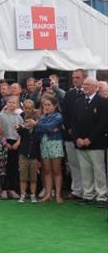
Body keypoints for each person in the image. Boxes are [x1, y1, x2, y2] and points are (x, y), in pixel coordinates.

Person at [72, 77, 108, 205]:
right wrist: (77, 138)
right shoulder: (78, 101)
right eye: (84, 84)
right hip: (80, 143)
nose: (84, 86)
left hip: (96, 143)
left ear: (95, 87)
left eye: (87, 84)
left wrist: (90, 139)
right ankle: (88, 195)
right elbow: (74, 122)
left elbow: (103, 123)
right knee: (85, 170)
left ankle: (102, 196)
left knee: (99, 171)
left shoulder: (102, 102)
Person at [35, 94, 65, 204]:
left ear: (55, 105)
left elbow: (49, 126)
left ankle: (57, 194)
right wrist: (44, 127)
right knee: (46, 170)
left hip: (55, 144)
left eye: (48, 105)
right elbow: (39, 130)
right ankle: (48, 194)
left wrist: (40, 125)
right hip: (44, 144)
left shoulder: (58, 116)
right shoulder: (42, 117)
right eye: (44, 105)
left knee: (56, 170)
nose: (46, 107)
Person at [61, 69, 85, 199]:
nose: (75, 80)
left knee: (86, 165)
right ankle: (76, 190)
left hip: (84, 137)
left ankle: (87, 191)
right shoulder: (69, 94)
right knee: (74, 164)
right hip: (70, 136)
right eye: (73, 77)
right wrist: (69, 128)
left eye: (78, 77)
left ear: (84, 78)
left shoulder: (89, 94)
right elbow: (64, 113)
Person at [0, 96, 23, 199]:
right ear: (6, 103)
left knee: (13, 167)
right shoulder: (1, 116)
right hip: (4, 142)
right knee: (4, 167)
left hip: (15, 143)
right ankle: (3, 189)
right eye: (9, 102)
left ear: (17, 105)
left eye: (14, 103)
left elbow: (21, 132)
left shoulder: (19, 117)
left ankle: (12, 189)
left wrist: (18, 143)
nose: (11, 104)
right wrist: (5, 143)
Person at [16, 109, 41, 203]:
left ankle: (33, 195)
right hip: (23, 157)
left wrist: (36, 125)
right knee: (23, 178)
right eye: (26, 121)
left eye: (30, 121)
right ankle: (22, 195)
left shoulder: (37, 131)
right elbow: (18, 128)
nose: (28, 123)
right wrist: (22, 125)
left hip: (34, 158)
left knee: (33, 178)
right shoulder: (23, 131)